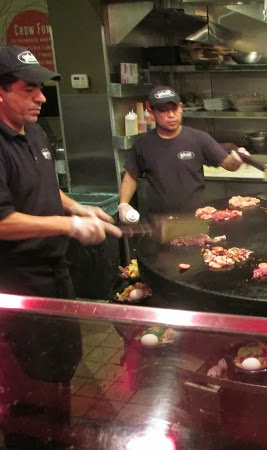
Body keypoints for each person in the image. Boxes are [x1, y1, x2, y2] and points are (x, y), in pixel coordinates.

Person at [0, 44, 122, 447]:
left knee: (63, 359)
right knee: (27, 375)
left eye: (41, 88)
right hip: (16, 282)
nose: (40, 98)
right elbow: (2, 221)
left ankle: (59, 434)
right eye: (28, 89)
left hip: (55, 273)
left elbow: (44, 188)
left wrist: (78, 207)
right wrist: (70, 225)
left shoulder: (35, 131)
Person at [118, 85, 251, 222]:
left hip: (196, 218)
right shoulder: (143, 144)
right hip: (159, 221)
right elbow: (131, 175)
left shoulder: (199, 138)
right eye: (163, 110)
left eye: (174, 108)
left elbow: (228, 164)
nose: (171, 115)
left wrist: (236, 160)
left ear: (181, 107)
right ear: (152, 113)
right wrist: (123, 204)